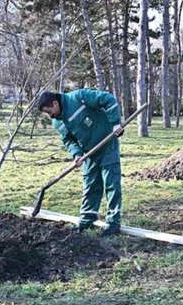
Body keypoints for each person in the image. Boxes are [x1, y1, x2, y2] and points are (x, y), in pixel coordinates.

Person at [38, 89, 124, 236]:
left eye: (49, 111)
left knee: (111, 184)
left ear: (55, 102)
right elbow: (68, 140)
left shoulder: (79, 98)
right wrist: (76, 154)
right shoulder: (57, 121)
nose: (50, 115)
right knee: (90, 185)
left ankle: (113, 223)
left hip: (107, 144)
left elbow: (108, 100)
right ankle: (86, 221)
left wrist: (115, 122)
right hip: (89, 152)